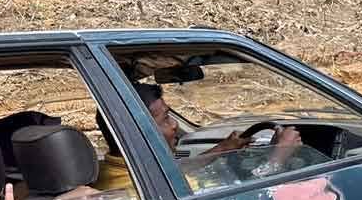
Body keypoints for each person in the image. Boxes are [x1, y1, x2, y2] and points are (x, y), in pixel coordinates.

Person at [94, 82, 302, 193]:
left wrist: (223, 148)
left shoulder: (121, 168)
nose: (175, 125)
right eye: (165, 119)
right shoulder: (138, 189)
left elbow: (174, 171)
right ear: (138, 133)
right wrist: (277, 159)